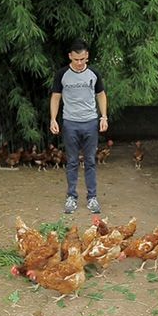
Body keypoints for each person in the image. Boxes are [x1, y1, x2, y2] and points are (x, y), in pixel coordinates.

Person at [50, 39, 108, 214]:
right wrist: (53, 119)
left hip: (91, 122)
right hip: (70, 123)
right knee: (72, 161)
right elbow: (55, 97)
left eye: (82, 59)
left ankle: (92, 198)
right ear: (70, 56)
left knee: (90, 161)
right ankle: (71, 198)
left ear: (87, 56)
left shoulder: (94, 73)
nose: (79, 63)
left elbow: (101, 95)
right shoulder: (62, 74)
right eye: (76, 59)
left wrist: (104, 117)